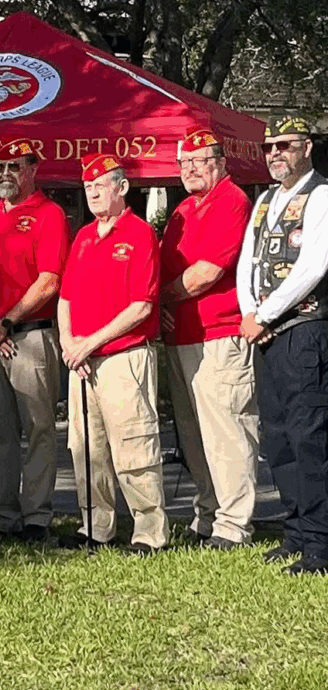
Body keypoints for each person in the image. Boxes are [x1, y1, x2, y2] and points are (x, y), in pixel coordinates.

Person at [0, 137, 70, 544]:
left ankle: (37, 516)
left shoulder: (49, 214)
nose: (5, 174)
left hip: (30, 336)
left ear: (33, 169)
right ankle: (3, 516)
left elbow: (49, 280)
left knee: (39, 428)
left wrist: (7, 320)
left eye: (15, 166)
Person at [58, 154, 169, 555]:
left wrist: (89, 343)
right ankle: (96, 526)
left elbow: (142, 306)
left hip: (124, 355)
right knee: (86, 448)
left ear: (122, 188)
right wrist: (69, 343)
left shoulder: (140, 234)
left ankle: (150, 532)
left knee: (134, 446)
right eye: (87, 187)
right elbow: (65, 297)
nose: (92, 193)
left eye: (100, 185)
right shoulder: (84, 236)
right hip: (82, 361)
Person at [236, 114, 328, 574]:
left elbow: (314, 265)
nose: (275, 154)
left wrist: (266, 314)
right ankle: (295, 532)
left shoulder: (322, 195)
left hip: (304, 331)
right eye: (269, 147)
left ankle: (319, 542)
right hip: (267, 333)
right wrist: (250, 312)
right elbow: (247, 262)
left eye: (285, 145)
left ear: (306, 148)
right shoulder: (265, 199)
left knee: (310, 438)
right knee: (278, 436)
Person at [160, 127, 258, 551]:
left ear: (220, 162)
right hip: (180, 334)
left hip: (219, 332)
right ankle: (208, 513)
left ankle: (234, 524)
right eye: (184, 162)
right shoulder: (183, 209)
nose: (190, 169)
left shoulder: (232, 200)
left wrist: (159, 298)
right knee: (193, 432)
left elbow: (207, 272)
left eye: (199, 161)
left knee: (227, 431)